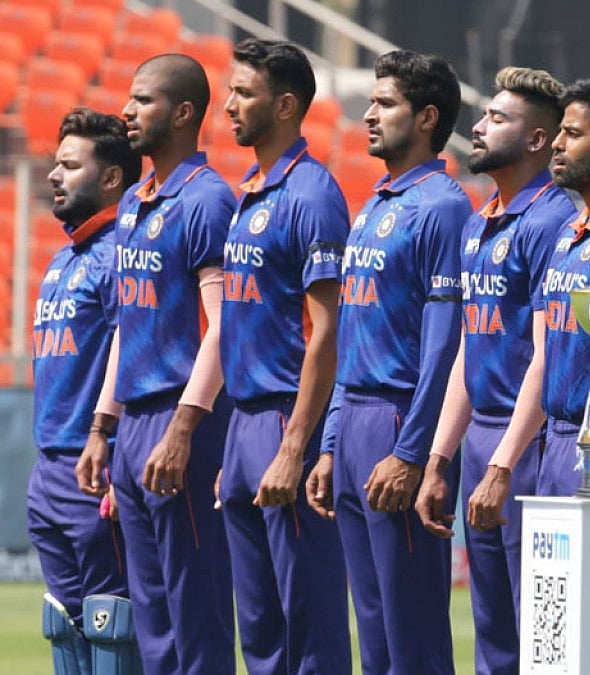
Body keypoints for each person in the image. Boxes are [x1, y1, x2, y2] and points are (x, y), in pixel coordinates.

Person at [305, 48, 471, 675]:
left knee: (413, 634)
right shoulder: (374, 204)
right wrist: (329, 441)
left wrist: (412, 452)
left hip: (400, 419)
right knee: (372, 634)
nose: (368, 114)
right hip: (354, 425)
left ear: (427, 117)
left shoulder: (444, 207)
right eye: (371, 101)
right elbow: (353, 337)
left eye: (385, 104)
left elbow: (444, 345)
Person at [76, 53, 236, 675]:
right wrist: (102, 427)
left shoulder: (207, 201)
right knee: (151, 622)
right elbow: (127, 326)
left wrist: (183, 428)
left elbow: (222, 327)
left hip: (180, 423)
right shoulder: (136, 204)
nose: (127, 110)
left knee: (195, 618)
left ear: (184, 112)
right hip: (134, 426)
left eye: (143, 100)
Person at [412, 65, 575, 674]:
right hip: (480, 437)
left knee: (542, 634)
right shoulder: (480, 222)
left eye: (497, 119)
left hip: (528, 441)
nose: (477, 128)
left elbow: (544, 356)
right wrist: (439, 460)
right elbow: (466, 350)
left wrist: (505, 463)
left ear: (537, 139)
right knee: (491, 633)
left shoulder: (552, 221)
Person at [450, 76, 590, 499]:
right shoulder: (568, 231)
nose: (558, 144)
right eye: (559, 132)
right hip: (552, 438)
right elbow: (541, 351)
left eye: (573, 134)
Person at [219, 38, 350, 674]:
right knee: (261, 632)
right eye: (230, 90)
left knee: (312, 620)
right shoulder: (251, 191)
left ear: (288, 104)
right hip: (244, 424)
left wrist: (295, 446)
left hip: (282, 421)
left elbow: (326, 333)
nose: (228, 105)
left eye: (244, 93)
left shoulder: (313, 194)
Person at [30, 106, 140, 675]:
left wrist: (117, 455)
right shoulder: (60, 260)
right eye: (55, 164)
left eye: (70, 166)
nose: (54, 174)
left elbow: (134, 355)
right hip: (49, 473)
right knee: (64, 627)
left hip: (95, 468)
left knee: (113, 625)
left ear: (112, 177)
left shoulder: (124, 254)